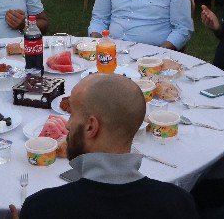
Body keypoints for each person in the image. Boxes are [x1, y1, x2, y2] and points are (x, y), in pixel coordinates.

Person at [12, 74, 197, 219]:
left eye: (72, 114)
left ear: (91, 126)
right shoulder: (177, 203)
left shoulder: (43, 208)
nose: (67, 125)